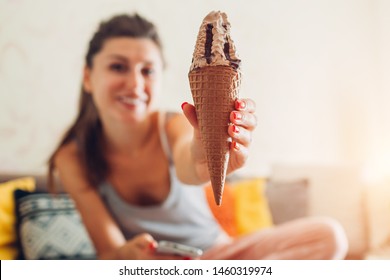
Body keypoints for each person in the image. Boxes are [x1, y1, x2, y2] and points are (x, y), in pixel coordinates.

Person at [48, 13, 348, 260]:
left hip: (221, 257)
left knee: (327, 235)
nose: (135, 84)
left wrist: (207, 153)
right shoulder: (73, 157)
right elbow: (109, 251)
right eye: (118, 67)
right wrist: (129, 253)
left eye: (148, 71)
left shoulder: (172, 127)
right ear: (88, 76)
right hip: (155, 270)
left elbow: (190, 163)